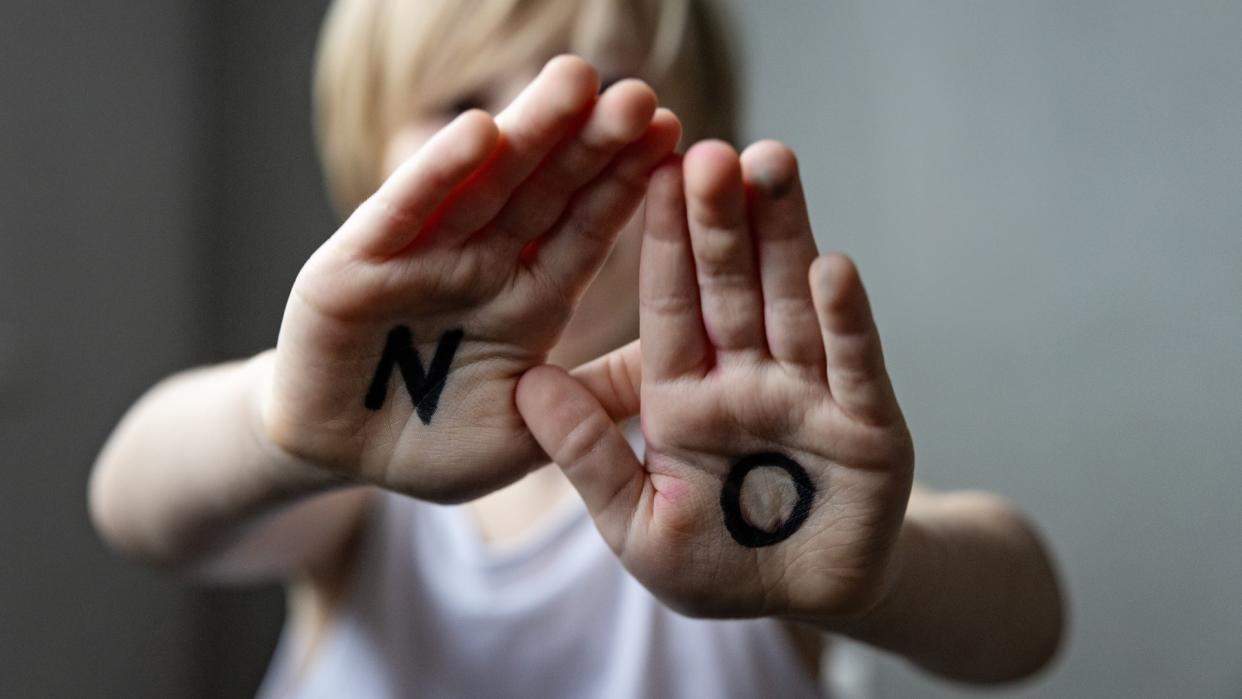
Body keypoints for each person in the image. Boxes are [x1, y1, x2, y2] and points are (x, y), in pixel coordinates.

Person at [89, 0, 1065, 696]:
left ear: (695, 168)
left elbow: (1023, 617)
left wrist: (881, 576)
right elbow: (141, 507)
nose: (530, 151)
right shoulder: (358, 470)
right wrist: (280, 426)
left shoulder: (742, 476)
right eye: (460, 108)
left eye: (606, 106)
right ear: (367, 184)